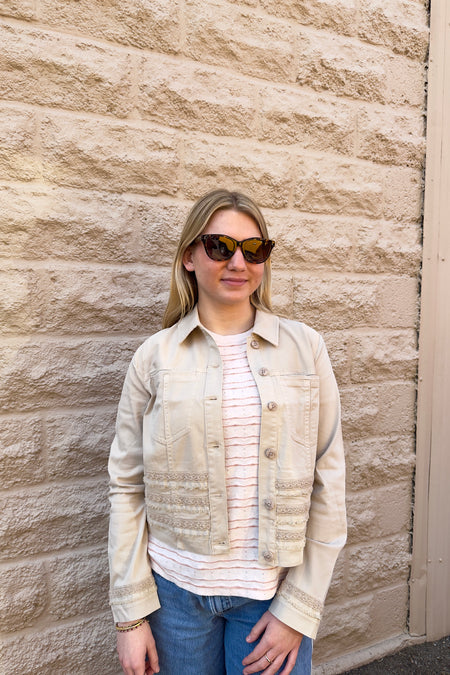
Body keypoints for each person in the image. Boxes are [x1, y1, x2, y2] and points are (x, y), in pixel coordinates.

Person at [108, 189, 347, 675]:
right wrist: (130, 617)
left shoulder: (305, 348)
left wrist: (299, 609)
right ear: (189, 257)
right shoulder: (155, 357)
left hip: (270, 598)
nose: (238, 262)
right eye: (220, 246)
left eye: (254, 249)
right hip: (174, 598)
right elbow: (127, 485)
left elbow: (329, 479)